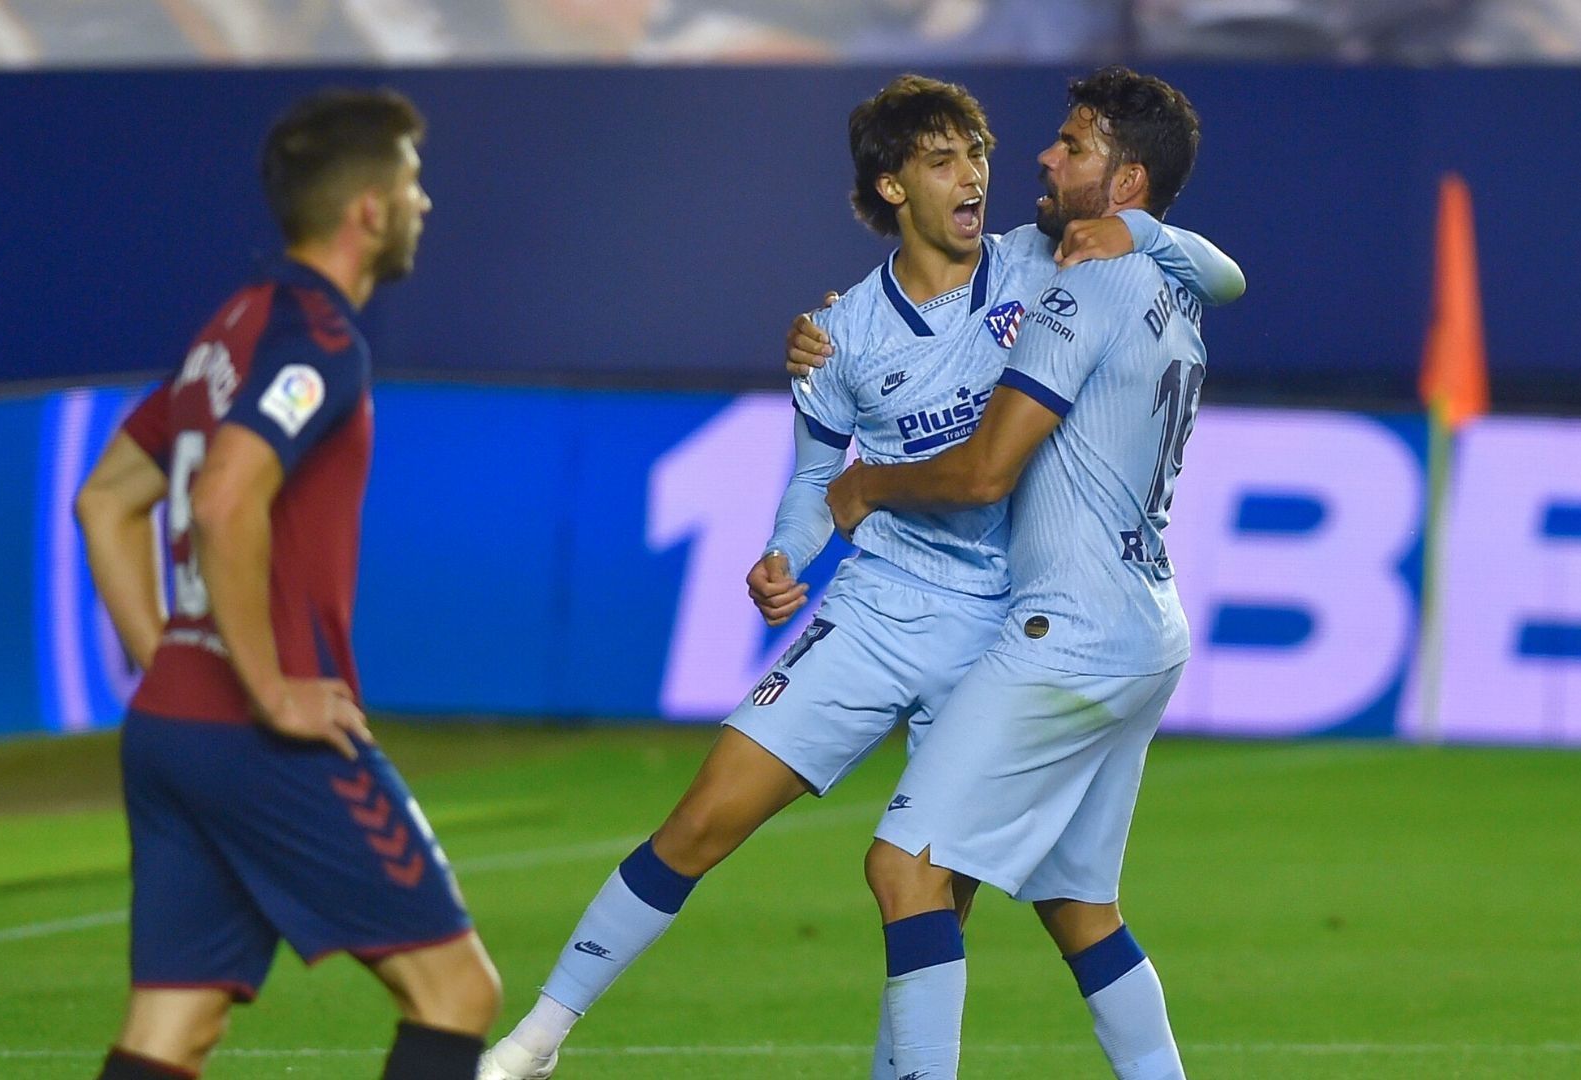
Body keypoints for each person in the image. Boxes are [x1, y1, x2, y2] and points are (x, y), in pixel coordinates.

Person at [480, 73, 1241, 1080]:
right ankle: (539, 1036)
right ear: (892, 186)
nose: (975, 175)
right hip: (884, 608)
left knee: (933, 898)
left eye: (978, 153)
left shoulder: (1044, 261)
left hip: (1004, 624)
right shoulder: (837, 335)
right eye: (944, 159)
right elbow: (814, 478)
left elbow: (1214, 270)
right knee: (704, 819)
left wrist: (1135, 230)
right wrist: (785, 555)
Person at [74, 88, 501, 1080]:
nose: (425, 203)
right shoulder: (317, 339)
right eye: (413, 182)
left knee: (173, 1028)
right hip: (260, 738)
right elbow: (226, 496)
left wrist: (169, 661)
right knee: (456, 992)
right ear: (369, 210)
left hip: (174, 728)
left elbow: (105, 501)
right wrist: (267, 689)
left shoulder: (231, 329)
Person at [822, 66, 1216, 1080]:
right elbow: (1226, 273)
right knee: (1080, 907)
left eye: (1073, 146)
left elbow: (984, 472)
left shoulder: (1081, 288)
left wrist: (866, 486)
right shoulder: (1167, 277)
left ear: (1126, 181)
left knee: (904, 866)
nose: (1044, 156)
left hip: (1070, 630)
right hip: (1146, 622)